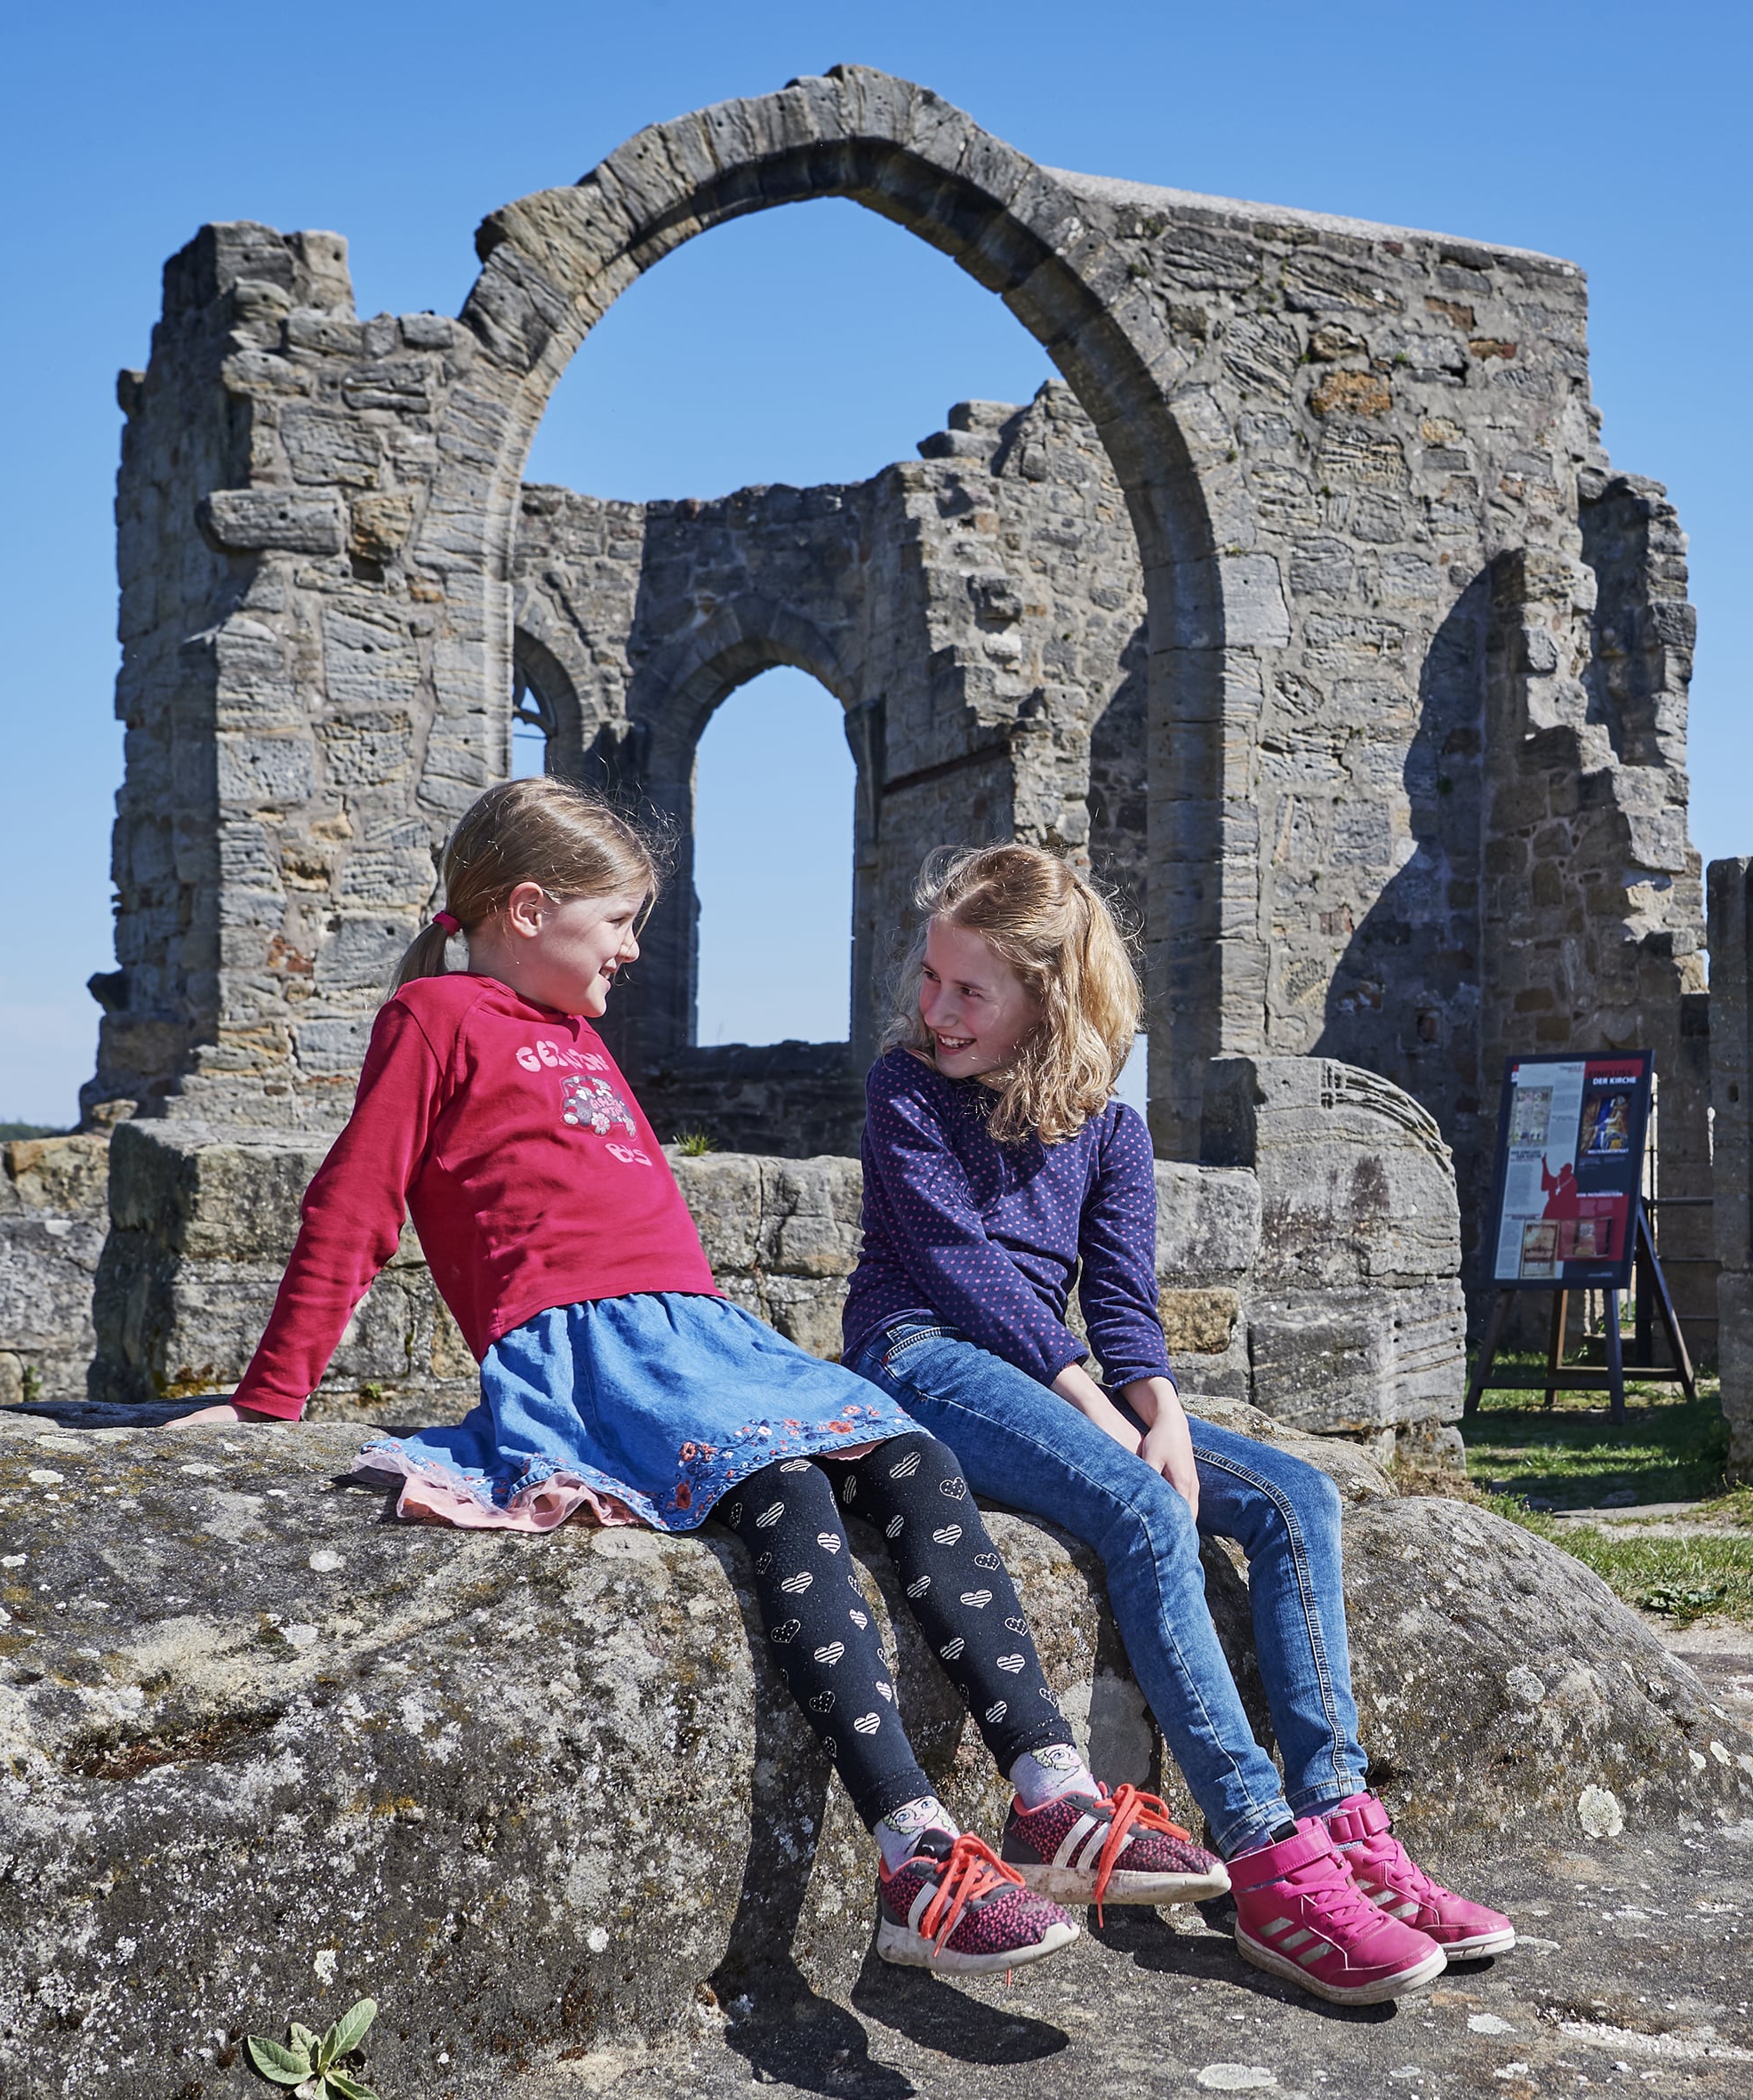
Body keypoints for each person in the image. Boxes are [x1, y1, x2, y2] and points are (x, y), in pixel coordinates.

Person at [180, 778, 1224, 1977]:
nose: (631, 947)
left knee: (907, 1453)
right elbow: (353, 1206)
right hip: (589, 1351)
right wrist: (269, 1401)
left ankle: (1052, 1793)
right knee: (784, 1483)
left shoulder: (573, 1031)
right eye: (616, 920)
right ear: (528, 909)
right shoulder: (434, 1015)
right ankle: (916, 1852)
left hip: (704, 1337)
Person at [840, 843, 1513, 2008]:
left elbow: (1118, 1300)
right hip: (920, 1357)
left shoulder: (1108, 1124)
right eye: (933, 978)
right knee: (1146, 1508)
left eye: (967, 989)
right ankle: (1264, 1859)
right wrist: (1104, 1415)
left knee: (1298, 1497)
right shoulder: (906, 1089)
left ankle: (1342, 1821)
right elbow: (960, 1272)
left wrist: (1161, 1414)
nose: (932, 1008)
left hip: (1046, 1383)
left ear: (1047, 1000)